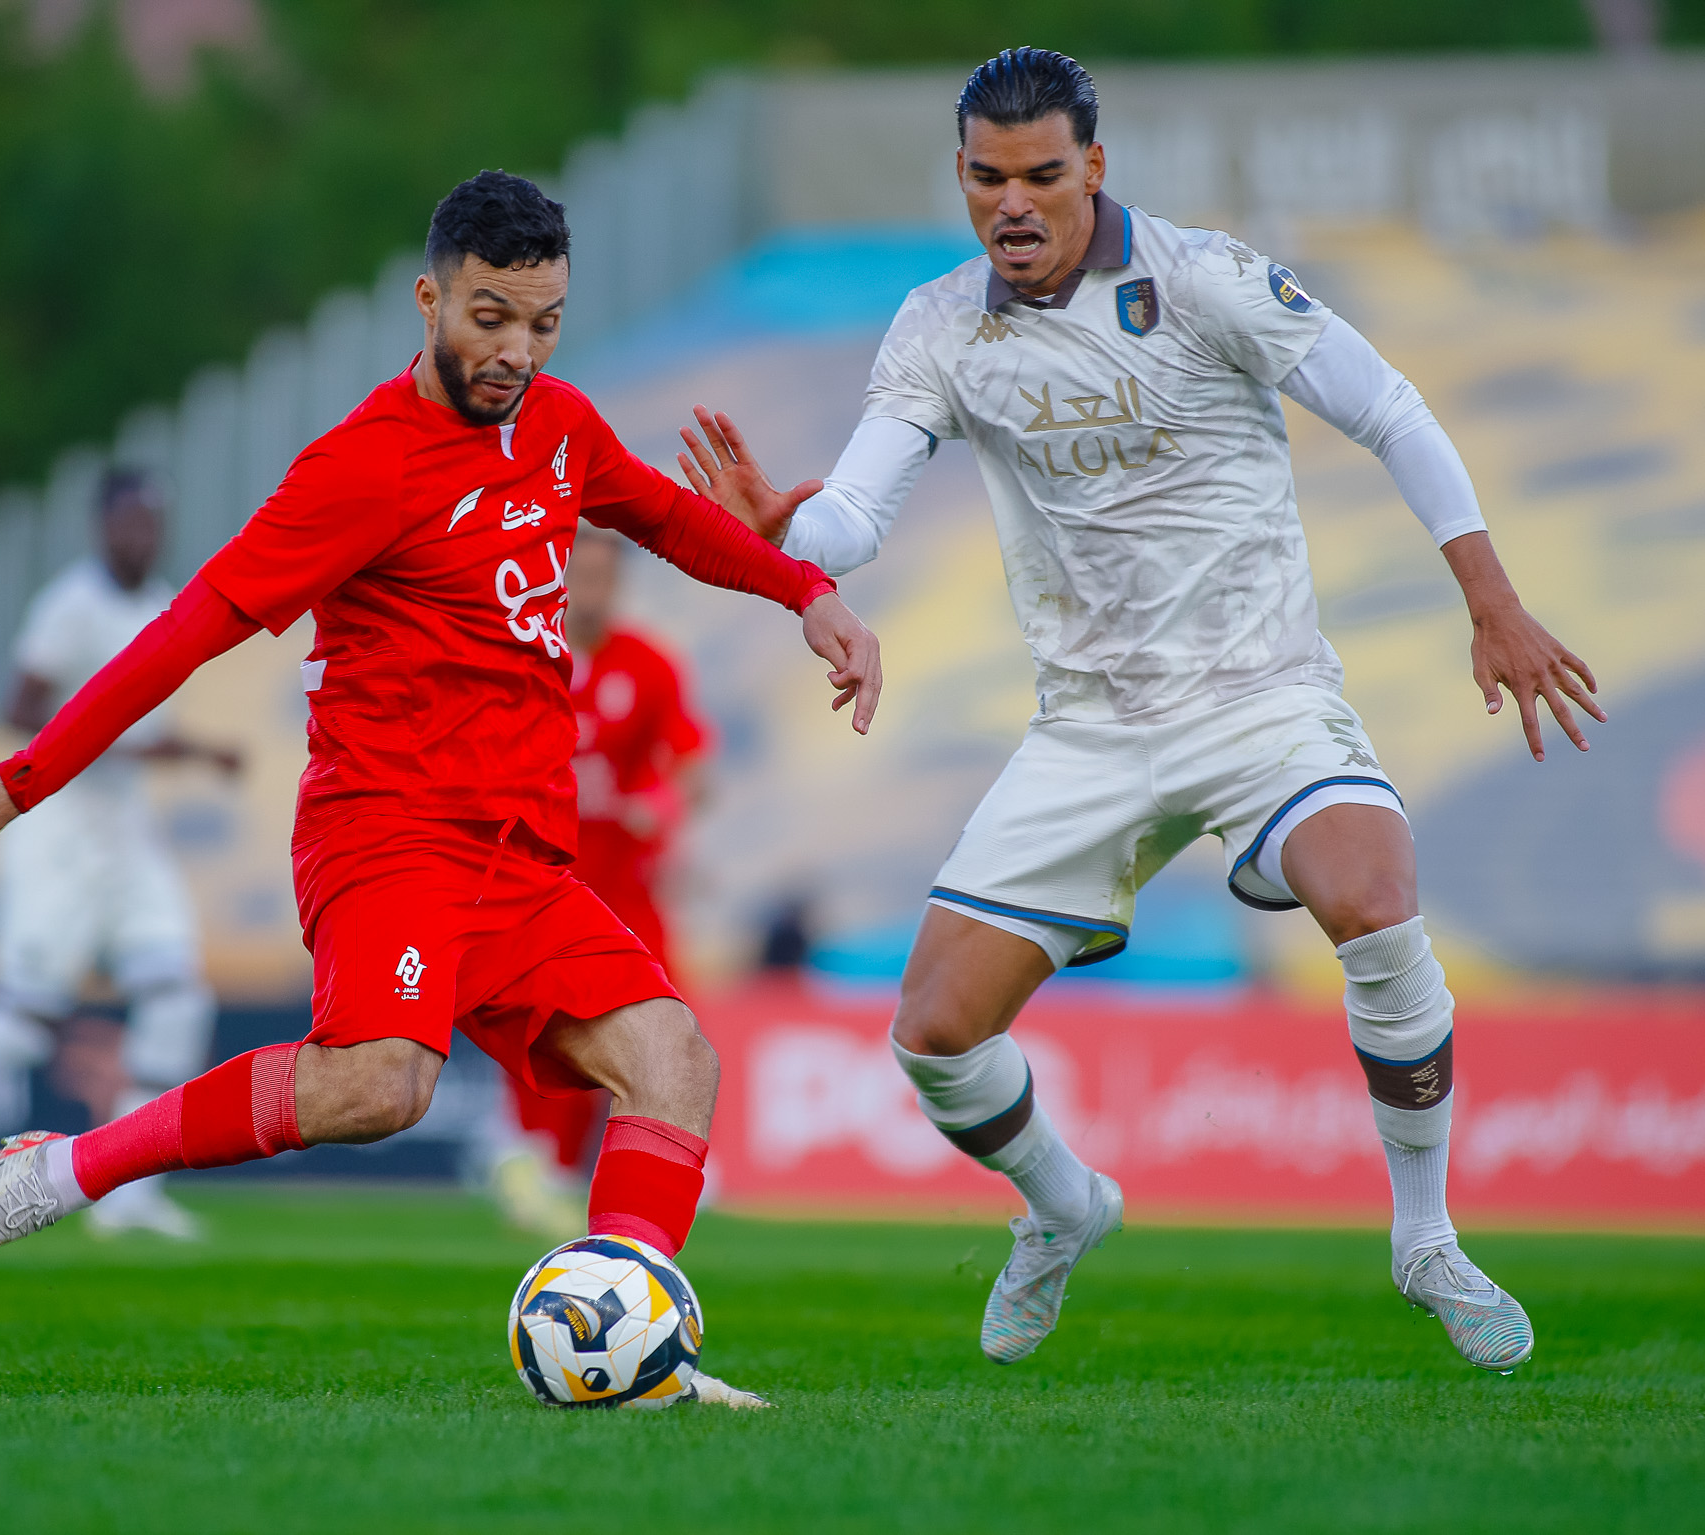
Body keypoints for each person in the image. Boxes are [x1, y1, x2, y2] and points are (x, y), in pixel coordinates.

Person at [679, 49, 1601, 1374]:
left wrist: (1492, 600)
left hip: (1260, 695)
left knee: (1376, 891)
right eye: (990, 177)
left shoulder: (1208, 282)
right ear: (961, 178)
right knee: (934, 1032)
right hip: (1090, 729)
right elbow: (854, 516)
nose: (1016, 201)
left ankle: (1425, 1234)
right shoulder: (940, 324)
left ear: (1093, 168)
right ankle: (1064, 1204)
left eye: (1044, 174)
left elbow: (1390, 408)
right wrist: (789, 528)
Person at [0, 171, 881, 1406]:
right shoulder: (361, 467)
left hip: (519, 852)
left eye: (542, 321)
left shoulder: (563, 428)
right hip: (390, 829)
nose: (515, 351)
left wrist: (812, 595)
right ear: (429, 299)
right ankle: (67, 1169)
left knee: (675, 1060)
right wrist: (29, 774)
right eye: (488, 317)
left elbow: (672, 520)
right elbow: (191, 627)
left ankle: (633, 1352)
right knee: (379, 1087)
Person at [0, 466, 241, 1240]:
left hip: (125, 825)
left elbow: (137, 726)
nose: (144, 534)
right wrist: (95, 736)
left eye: (153, 520)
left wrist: (203, 751)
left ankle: (130, 1192)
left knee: (178, 995)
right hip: (59, 827)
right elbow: (18, 705)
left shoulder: (157, 602)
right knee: (25, 1024)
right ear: (103, 525)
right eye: (131, 520)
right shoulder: (72, 604)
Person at [488, 528, 712, 1235]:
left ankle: (665, 1163)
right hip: (540, 884)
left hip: (626, 890)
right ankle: (534, 1164)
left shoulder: (647, 665)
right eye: (577, 575)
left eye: (602, 577)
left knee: (665, 1024)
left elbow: (694, 764)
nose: (590, 590)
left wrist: (664, 805)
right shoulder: (522, 658)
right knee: (547, 1027)